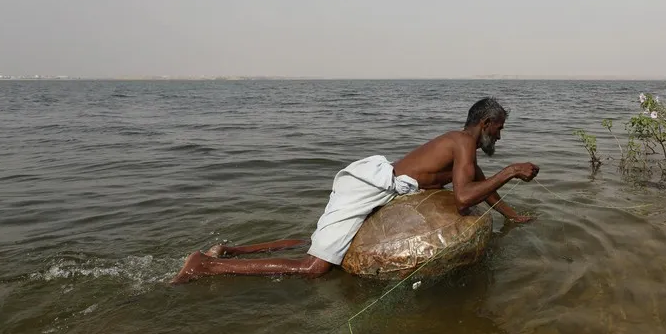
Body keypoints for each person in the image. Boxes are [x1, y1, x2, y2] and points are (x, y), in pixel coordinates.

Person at [171, 97, 539, 284]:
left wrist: (514, 217)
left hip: (381, 189)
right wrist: (510, 170)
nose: (501, 135)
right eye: (500, 128)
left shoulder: (464, 148)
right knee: (315, 267)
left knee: (328, 242)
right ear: (487, 123)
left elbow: (484, 189)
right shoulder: (462, 141)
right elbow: (463, 197)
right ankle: (207, 265)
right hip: (368, 187)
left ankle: (230, 249)